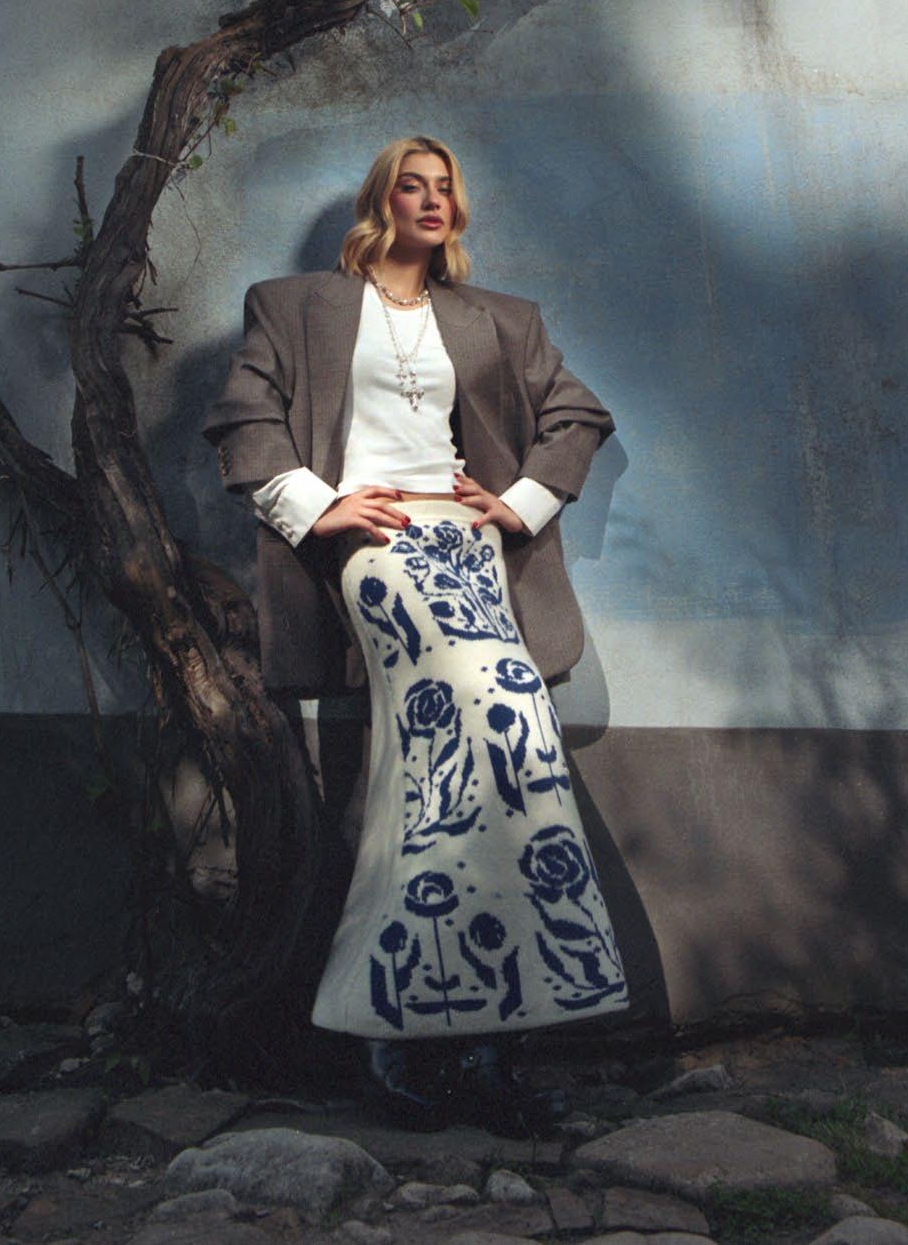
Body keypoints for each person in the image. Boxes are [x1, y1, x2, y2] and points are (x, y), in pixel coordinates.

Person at [201, 134, 628, 1129]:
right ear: (380, 199)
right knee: (492, 713)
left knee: (491, 752)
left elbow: (578, 414)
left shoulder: (499, 317)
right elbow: (243, 417)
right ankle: (403, 1025)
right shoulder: (294, 305)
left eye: (446, 188)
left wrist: (517, 503)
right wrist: (319, 506)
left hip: (467, 544)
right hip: (381, 547)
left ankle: (476, 1039)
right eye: (412, 184)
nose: (432, 200)